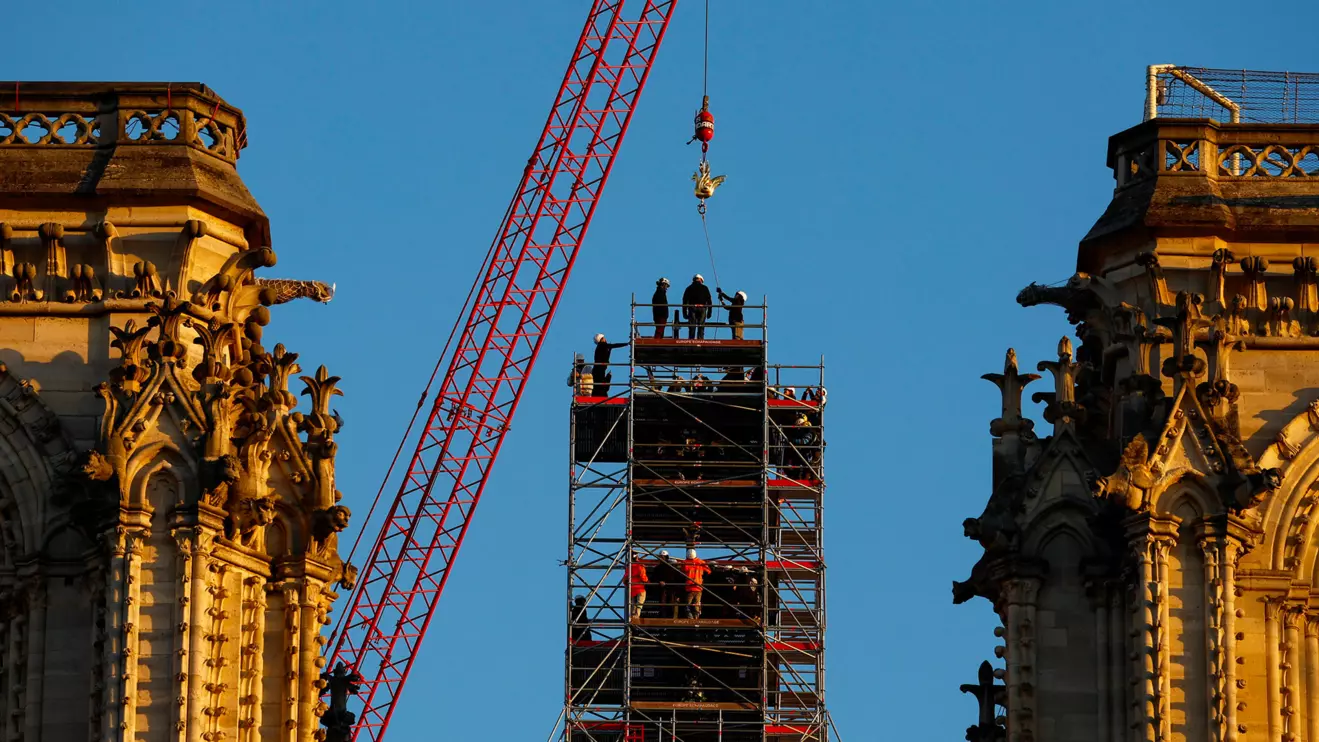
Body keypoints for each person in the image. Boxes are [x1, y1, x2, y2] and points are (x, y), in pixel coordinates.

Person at [681, 548, 711, 619]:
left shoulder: (684, 563)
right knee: (696, 604)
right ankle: (696, 618)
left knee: (688, 605)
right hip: (698, 587)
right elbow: (708, 571)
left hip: (690, 587)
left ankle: (691, 617)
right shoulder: (701, 562)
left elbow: (682, 572)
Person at [682, 274, 713, 339]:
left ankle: (691, 340)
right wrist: (709, 312)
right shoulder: (705, 288)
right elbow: (709, 301)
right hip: (702, 308)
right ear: (701, 280)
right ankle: (700, 339)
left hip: (692, 307)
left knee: (692, 326)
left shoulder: (689, 288)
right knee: (701, 326)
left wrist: (684, 313)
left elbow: (684, 300)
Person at [629, 551, 649, 620]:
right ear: (637, 557)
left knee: (633, 604)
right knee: (639, 603)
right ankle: (637, 616)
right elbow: (643, 577)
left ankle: (632, 616)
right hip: (640, 588)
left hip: (631, 588)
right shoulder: (640, 566)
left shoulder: (629, 567)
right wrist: (647, 581)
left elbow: (625, 579)